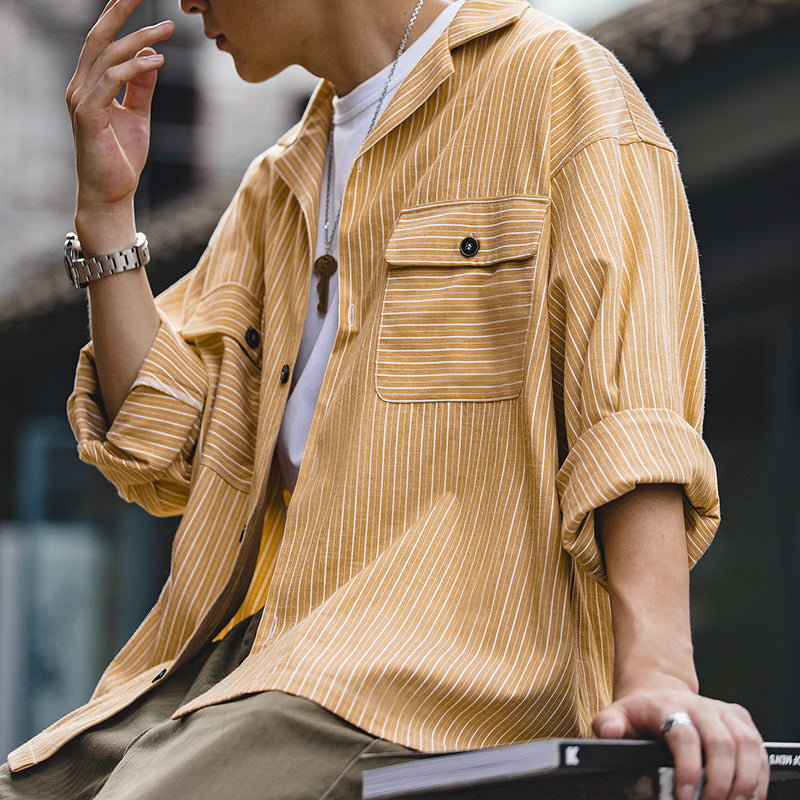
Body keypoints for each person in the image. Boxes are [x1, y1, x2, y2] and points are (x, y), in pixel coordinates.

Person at [0, 0, 769, 798]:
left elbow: (632, 408)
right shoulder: (280, 182)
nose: (188, 3)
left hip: (451, 680)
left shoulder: (555, 87)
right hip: (254, 670)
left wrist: (660, 674)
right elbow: (164, 447)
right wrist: (105, 214)